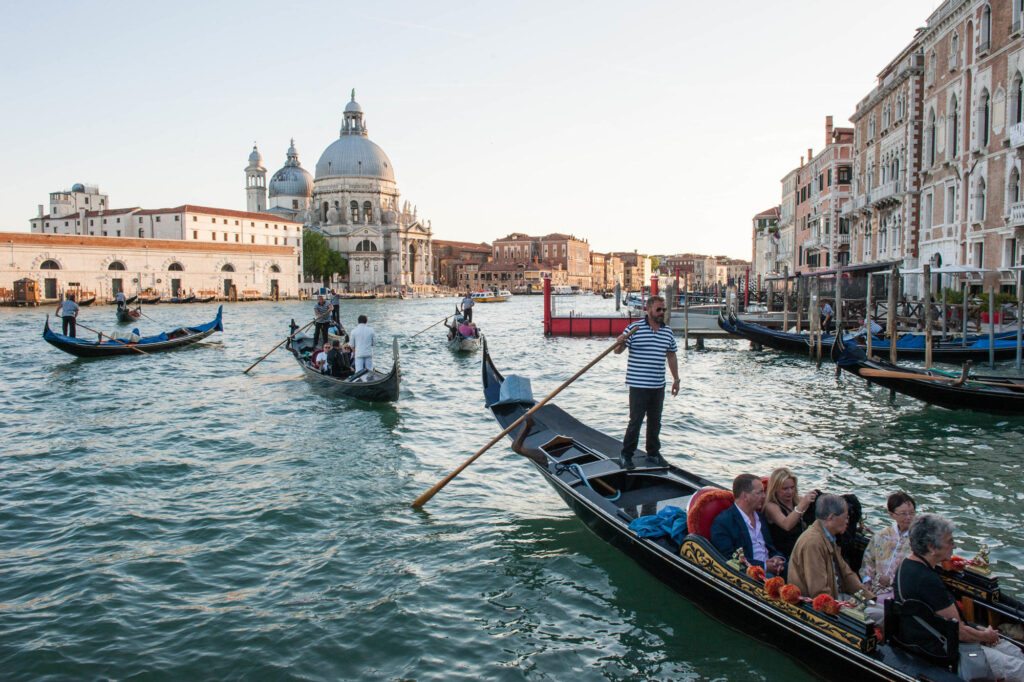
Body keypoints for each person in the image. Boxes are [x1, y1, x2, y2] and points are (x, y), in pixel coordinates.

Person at [893, 514, 1024, 681]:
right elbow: (959, 633)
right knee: (1019, 667)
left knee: (1012, 651)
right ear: (932, 547)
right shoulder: (929, 581)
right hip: (945, 651)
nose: (954, 546)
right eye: (950, 542)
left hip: (923, 639)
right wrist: (986, 636)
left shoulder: (905, 566)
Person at [614, 294, 679, 468]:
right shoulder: (634, 329)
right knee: (635, 421)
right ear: (648, 309)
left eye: (663, 309)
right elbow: (618, 351)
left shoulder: (667, 332)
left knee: (655, 421)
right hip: (638, 385)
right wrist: (619, 342)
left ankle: (653, 453)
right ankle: (626, 455)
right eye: (658, 309)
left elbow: (671, 355)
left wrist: (676, 379)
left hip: (658, 385)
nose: (661, 312)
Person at [788, 495, 874, 601]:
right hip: (824, 603)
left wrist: (868, 598)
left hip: (836, 595)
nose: (847, 521)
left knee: (880, 609)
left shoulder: (828, 537)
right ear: (831, 517)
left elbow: (847, 574)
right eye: (846, 517)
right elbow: (819, 592)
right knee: (880, 615)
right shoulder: (813, 543)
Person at [710, 473, 786, 576]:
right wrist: (764, 566)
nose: (764, 496)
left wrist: (778, 559)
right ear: (745, 496)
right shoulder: (723, 522)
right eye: (759, 493)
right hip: (749, 575)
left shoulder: (760, 517)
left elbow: (770, 546)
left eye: (763, 492)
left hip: (772, 567)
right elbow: (729, 559)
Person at [860, 492, 915, 606]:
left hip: (900, 590)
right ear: (892, 514)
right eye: (903, 514)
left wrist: (892, 579)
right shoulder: (881, 536)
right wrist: (867, 580)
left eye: (911, 513)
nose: (908, 517)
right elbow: (868, 561)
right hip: (875, 587)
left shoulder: (917, 539)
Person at [764, 467, 818, 558]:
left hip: (802, 550)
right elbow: (787, 525)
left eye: (792, 487)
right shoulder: (771, 506)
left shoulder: (798, 500)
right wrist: (803, 505)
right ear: (775, 489)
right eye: (785, 489)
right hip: (784, 554)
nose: (790, 492)